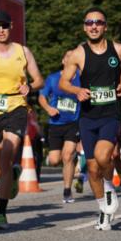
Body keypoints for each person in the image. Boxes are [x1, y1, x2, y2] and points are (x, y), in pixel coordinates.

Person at [59, 7, 121, 231]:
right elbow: (64, 81)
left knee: (104, 156)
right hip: (88, 116)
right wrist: (76, 91)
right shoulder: (78, 54)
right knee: (92, 169)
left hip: (111, 113)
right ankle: (104, 209)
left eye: (98, 22)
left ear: (105, 26)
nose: (94, 26)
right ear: (84, 27)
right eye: (89, 22)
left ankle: (110, 186)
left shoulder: (119, 50)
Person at [0, 10, 44, 229]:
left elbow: (39, 79)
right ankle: (8, 172)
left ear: (11, 27)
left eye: (4, 26)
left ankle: (1, 213)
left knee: (7, 154)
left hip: (16, 108)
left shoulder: (23, 52)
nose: (1, 30)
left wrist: (30, 86)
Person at [39, 51, 82, 203]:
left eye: (73, 57)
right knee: (54, 160)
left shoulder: (81, 78)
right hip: (56, 123)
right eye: (68, 57)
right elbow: (42, 97)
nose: (70, 59)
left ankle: (67, 191)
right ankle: (75, 160)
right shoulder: (53, 78)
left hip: (73, 122)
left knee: (67, 155)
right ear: (63, 61)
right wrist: (48, 109)